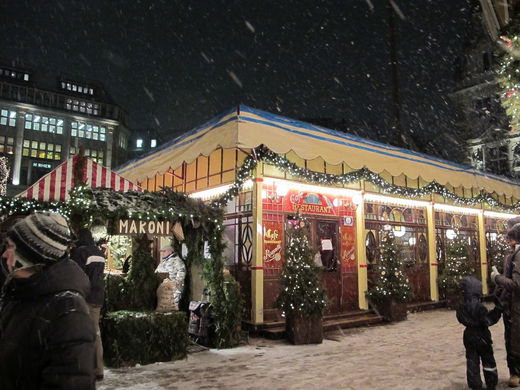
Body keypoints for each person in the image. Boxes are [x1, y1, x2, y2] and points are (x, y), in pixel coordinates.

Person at [0, 212, 95, 390]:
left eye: (11, 247)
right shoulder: (18, 290)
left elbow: (72, 381)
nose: (5, 254)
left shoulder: (68, 310)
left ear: (31, 255)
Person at [70, 228, 106, 381]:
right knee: (95, 332)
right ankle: (98, 367)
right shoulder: (99, 253)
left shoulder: (81, 252)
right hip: (98, 297)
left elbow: (76, 275)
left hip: (84, 297)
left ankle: (86, 368)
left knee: (80, 333)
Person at [456, 276, 501, 390]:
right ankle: (491, 382)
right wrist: (497, 311)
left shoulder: (462, 307)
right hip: (482, 335)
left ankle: (475, 383)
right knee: (488, 360)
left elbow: (460, 318)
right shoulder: (480, 308)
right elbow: (488, 321)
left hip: (469, 335)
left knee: (472, 360)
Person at [492, 220, 520, 388]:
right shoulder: (512, 254)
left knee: (513, 340)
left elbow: (516, 285)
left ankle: (516, 372)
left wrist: (497, 278)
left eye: (508, 231)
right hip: (511, 305)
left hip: (515, 307)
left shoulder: (518, 255)